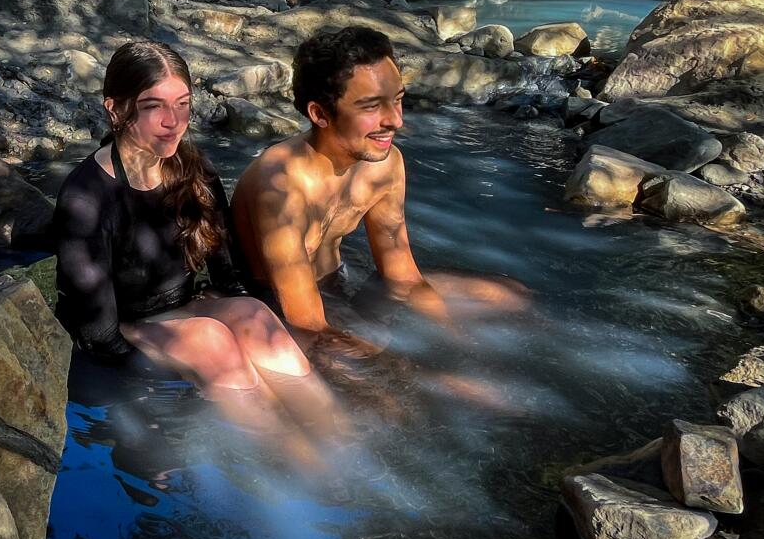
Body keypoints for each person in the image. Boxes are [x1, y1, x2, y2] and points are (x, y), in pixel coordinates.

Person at [53, 41, 339, 449]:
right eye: (154, 106)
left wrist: (237, 313)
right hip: (118, 328)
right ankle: (296, 462)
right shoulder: (85, 199)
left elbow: (228, 273)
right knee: (211, 340)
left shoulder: (192, 167)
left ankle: (343, 443)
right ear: (115, 108)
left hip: (181, 307)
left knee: (253, 316)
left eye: (183, 104)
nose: (173, 122)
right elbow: (100, 336)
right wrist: (178, 376)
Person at [231, 26, 528, 357]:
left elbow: (401, 273)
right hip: (277, 309)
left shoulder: (384, 166)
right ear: (320, 114)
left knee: (510, 295)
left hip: (338, 284)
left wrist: (457, 341)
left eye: (398, 100)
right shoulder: (280, 185)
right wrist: (390, 363)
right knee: (390, 391)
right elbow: (305, 321)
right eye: (372, 107)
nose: (396, 121)